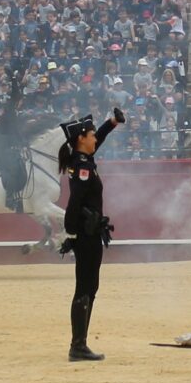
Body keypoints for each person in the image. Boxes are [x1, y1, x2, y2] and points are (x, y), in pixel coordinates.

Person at [59, 108, 124, 362]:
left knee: (90, 286)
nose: (96, 137)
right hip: (86, 234)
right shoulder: (82, 166)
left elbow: (100, 140)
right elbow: (74, 203)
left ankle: (80, 343)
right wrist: (72, 233)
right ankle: (78, 345)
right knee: (85, 287)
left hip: (89, 232)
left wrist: (112, 123)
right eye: (92, 134)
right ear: (81, 139)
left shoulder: (82, 158)